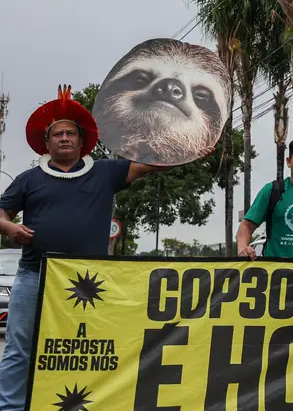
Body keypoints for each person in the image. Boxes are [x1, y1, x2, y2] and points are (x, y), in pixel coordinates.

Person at [0, 86, 172, 411]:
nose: (64, 138)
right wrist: (8, 226)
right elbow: (2, 212)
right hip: (34, 278)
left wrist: (187, 146)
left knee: (89, 349)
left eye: (70, 133)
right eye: (57, 134)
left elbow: (151, 165)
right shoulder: (28, 179)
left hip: (89, 284)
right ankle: (10, 407)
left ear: (81, 141)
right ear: (46, 143)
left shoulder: (106, 172)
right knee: (20, 349)